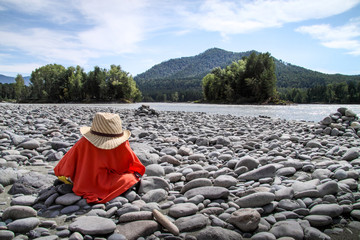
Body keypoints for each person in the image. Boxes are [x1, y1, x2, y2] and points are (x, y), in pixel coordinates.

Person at [54, 112, 145, 204]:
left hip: (82, 180)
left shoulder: (84, 142)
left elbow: (66, 165)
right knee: (129, 178)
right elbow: (127, 166)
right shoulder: (122, 144)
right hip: (106, 181)